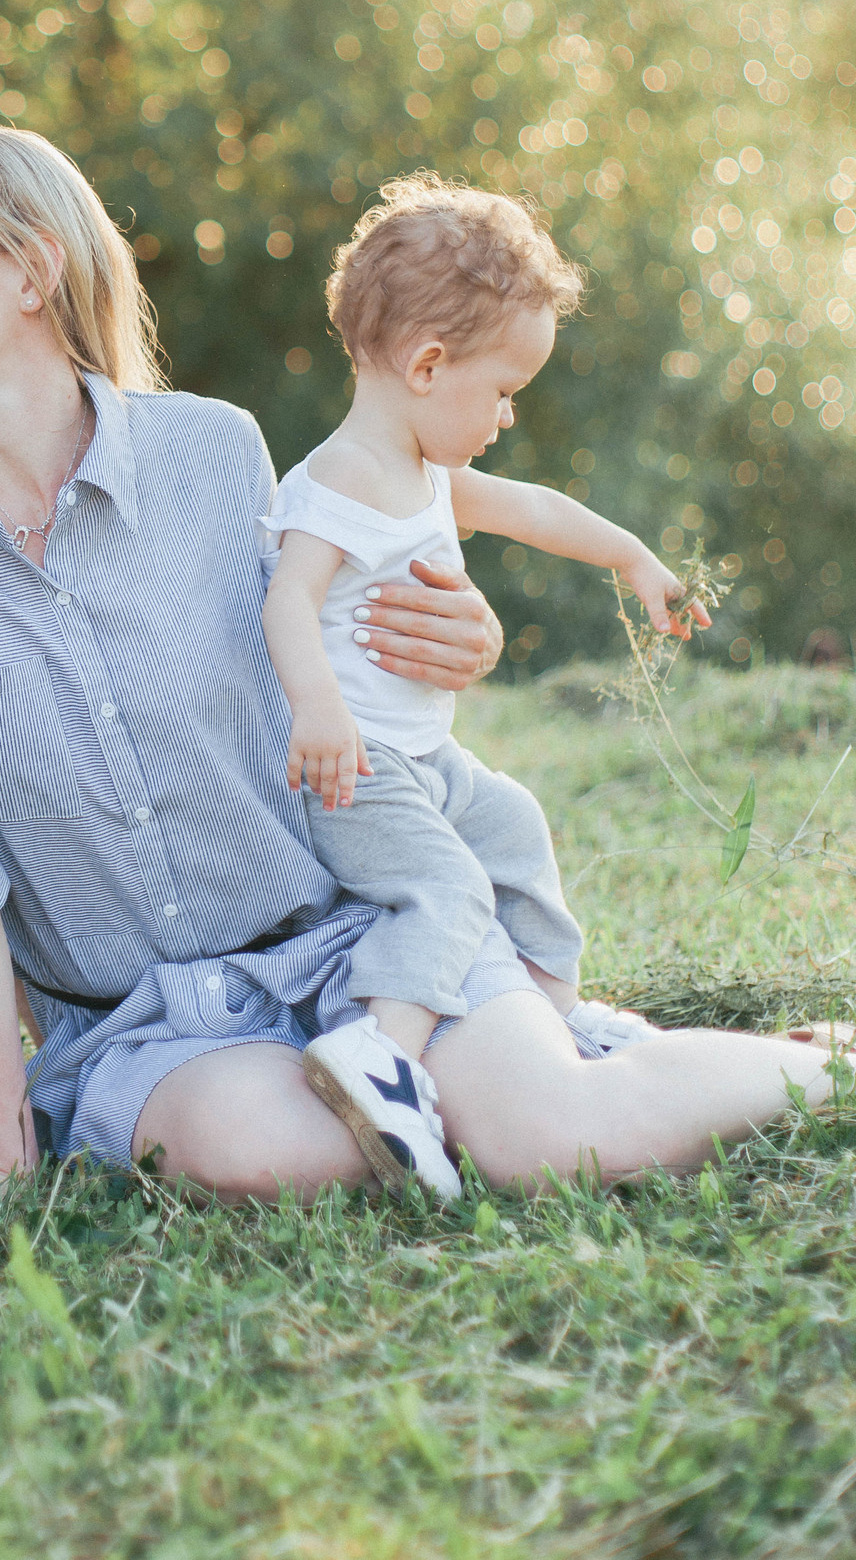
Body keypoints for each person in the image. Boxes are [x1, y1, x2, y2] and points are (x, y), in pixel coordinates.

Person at [0, 122, 851, 1209]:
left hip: (355, 927)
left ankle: (825, 1058)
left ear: (33, 270)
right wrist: (7, 1154)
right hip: (146, 1017)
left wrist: (459, 632)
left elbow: (352, 624)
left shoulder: (213, 451)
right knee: (283, 1158)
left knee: (544, 1141)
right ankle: (544, 1050)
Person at [262, 176, 709, 1198]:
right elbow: (288, 601)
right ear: (428, 365)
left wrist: (634, 558)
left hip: (429, 762)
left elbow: (539, 510)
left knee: (512, 827)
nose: (510, 414)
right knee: (449, 888)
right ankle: (385, 1054)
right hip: (360, 773)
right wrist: (320, 711)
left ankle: (552, 1018)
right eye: (504, 390)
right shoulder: (338, 482)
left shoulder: (423, 468)